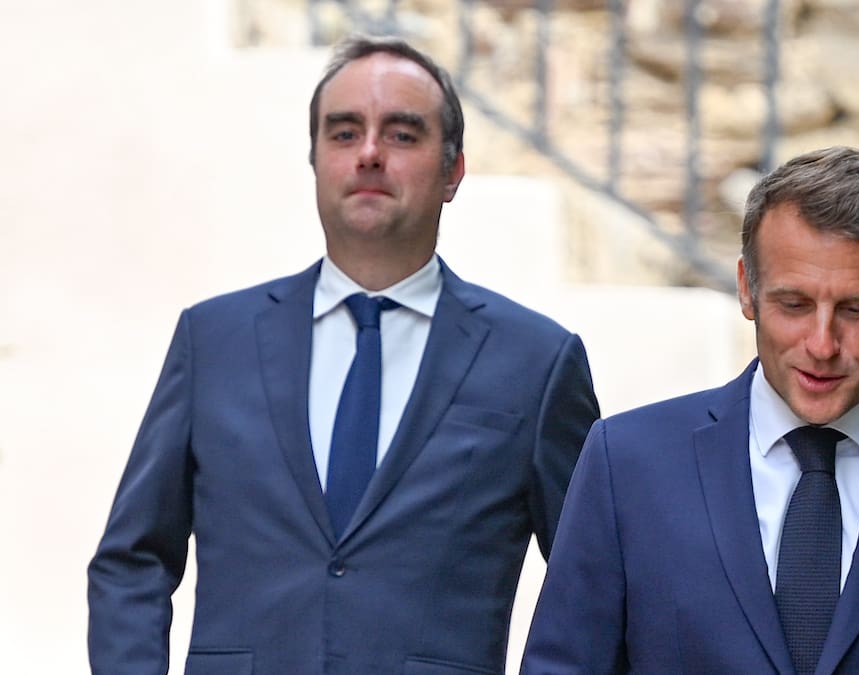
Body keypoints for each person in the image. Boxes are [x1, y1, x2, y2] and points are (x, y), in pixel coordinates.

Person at [88, 34, 600, 674]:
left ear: (453, 173)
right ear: (315, 160)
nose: (369, 154)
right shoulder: (214, 340)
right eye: (343, 132)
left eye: (403, 134)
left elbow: (598, 586)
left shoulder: (538, 363)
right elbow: (132, 558)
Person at [521, 146, 859, 674]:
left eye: (856, 309)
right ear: (746, 289)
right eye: (794, 304)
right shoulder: (629, 463)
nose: (822, 343)